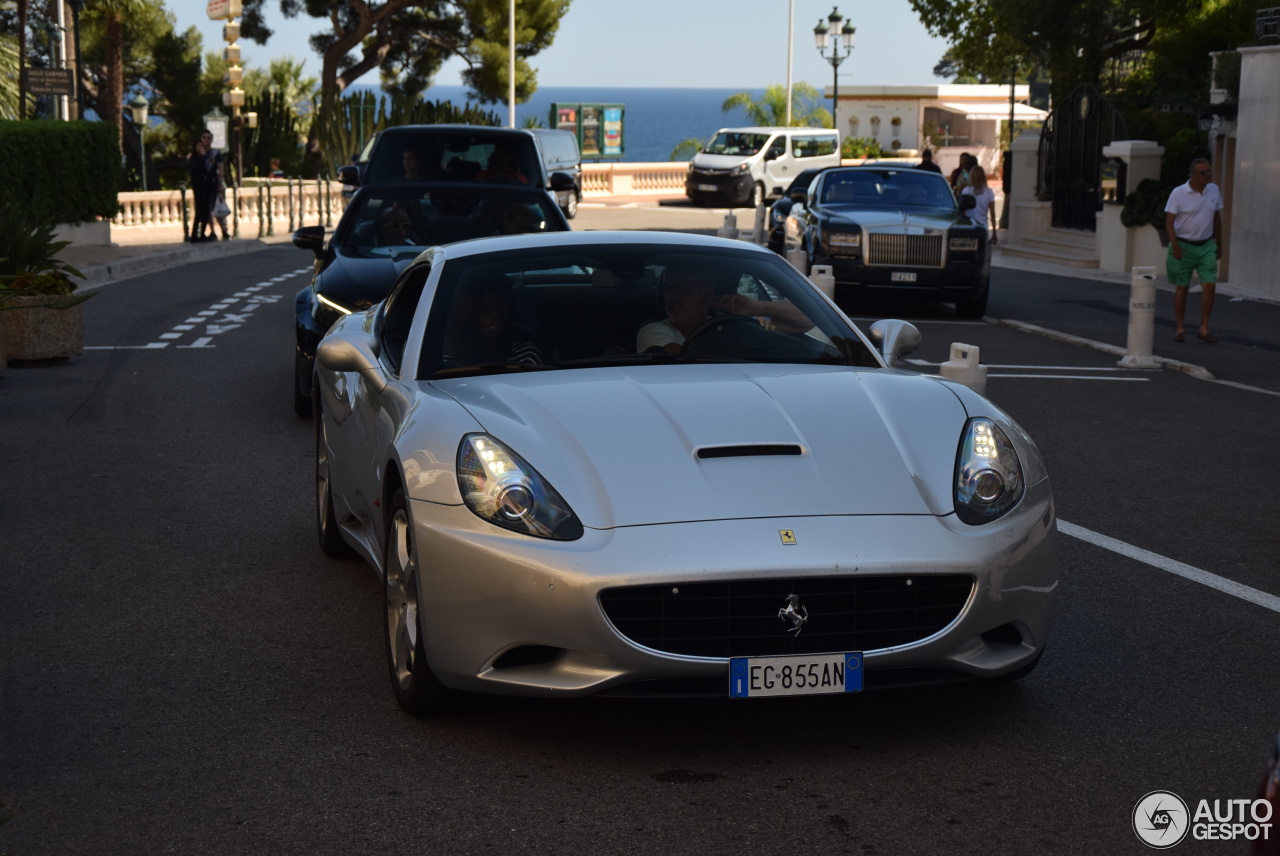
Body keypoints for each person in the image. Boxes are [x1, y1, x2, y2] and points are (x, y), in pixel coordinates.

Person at [636, 265, 813, 355]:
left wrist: (755, 308)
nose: (671, 297)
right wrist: (749, 340)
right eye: (667, 289)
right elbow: (688, 363)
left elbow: (809, 319)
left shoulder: (732, 324)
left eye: (681, 288)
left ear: (707, 292)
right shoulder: (654, 331)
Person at [1164, 158, 1224, 343]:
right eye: (1203, 172)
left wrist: (1219, 244)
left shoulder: (1213, 190)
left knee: (1210, 286)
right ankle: (1180, 328)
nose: (1208, 175)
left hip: (1206, 245)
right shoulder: (1179, 193)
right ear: (1193, 174)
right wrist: (1175, 246)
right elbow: (1169, 222)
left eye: (1209, 171)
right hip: (1184, 245)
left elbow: (1216, 218)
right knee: (1182, 288)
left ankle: (1204, 328)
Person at [444, 279, 543, 366]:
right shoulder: (445, 359)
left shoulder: (524, 354)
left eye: (502, 307)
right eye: (485, 308)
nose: (496, 315)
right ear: (467, 312)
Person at [201, 130, 230, 240]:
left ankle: (224, 230)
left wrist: (220, 183)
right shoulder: (200, 153)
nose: (206, 140)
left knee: (216, 208)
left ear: (211, 140)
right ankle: (212, 231)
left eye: (208, 138)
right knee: (207, 209)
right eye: (204, 137)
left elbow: (220, 169)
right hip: (203, 184)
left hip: (213, 183)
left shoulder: (216, 153)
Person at [188, 137, 217, 242]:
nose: (201, 148)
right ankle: (194, 234)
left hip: (207, 186)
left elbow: (210, 169)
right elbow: (198, 168)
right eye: (198, 146)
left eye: (202, 145)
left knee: (206, 210)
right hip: (198, 187)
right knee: (199, 210)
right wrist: (203, 157)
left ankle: (203, 233)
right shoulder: (194, 158)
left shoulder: (207, 157)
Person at [960, 165, 998, 245]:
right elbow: (992, 214)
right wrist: (994, 233)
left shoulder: (966, 191)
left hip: (969, 226)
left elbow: (961, 212)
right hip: (983, 227)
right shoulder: (989, 192)